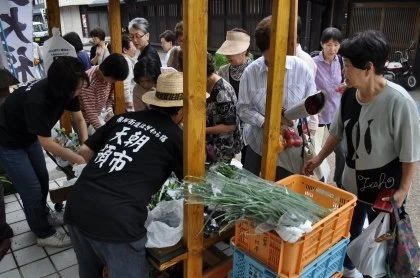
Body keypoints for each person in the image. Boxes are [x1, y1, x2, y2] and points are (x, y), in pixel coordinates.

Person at [303, 30, 420, 278]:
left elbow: (410, 154)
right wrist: (318, 159)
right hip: (351, 186)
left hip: (385, 192)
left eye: (347, 65)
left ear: (368, 68)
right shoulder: (348, 96)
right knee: (348, 232)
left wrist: (403, 190)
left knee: (380, 245)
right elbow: (335, 133)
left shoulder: (399, 103)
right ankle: (348, 270)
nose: (343, 70)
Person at [64, 72, 184, 278]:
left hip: (78, 203)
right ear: (183, 109)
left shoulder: (124, 118)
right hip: (118, 221)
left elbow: (84, 152)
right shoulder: (176, 137)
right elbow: (194, 183)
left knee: (89, 272)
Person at [0, 56, 89, 248]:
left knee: (41, 180)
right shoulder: (38, 100)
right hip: (8, 142)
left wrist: (86, 146)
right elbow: (47, 143)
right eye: (78, 87)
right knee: (30, 189)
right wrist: (78, 158)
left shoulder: (69, 90)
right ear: (62, 87)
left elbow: (79, 119)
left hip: (28, 136)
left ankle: (43, 216)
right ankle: (43, 233)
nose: (80, 90)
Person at [237, 15, 318, 180]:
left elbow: (312, 104)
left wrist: (301, 123)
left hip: (291, 145)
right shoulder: (250, 72)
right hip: (258, 142)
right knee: (252, 188)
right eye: (269, 58)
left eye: (278, 55)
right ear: (261, 51)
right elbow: (243, 109)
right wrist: (266, 122)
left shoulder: (301, 68)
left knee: (286, 188)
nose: (275, 62)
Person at [312, 27, 345, 186]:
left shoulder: (342, 62)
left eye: (336, 45)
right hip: (318, 113)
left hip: (336, 112)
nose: (332, 49)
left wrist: (345, 85)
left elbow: (348, 82)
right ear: (322, 44)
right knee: (315, 150)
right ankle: (319, 181)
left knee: (341, 151)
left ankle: (339, 181)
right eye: (329, 44)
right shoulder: (313, 63)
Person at [216, 28, 252, 164]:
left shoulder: (254, 70)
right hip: (228, 127)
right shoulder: (223, 71)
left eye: (232, 51)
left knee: (248, 163)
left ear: (244, 51)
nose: (227, 55)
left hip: (249, 126)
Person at [78, 53, 129, 132]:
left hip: (98, 114)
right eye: (114, 79)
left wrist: (109, 111)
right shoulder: (88, 82)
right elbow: (91, 114)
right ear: (104, 70)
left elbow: (109, 98)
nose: (114, 82)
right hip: (82, 119)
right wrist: (104, 133)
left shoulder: (109, 77)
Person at [206, 53, 241, 163]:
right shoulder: (208, 83)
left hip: (223, 146)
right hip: (212, 142)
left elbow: (230, 126)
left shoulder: (221, 91)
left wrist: (202, 131)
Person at [121, 34, 137, 112]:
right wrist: (129, 101)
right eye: (133, 46)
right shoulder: (126, 61)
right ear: (125, 50)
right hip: (128, 101)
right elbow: (125, 83)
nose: (135, 48)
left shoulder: (122, 59)